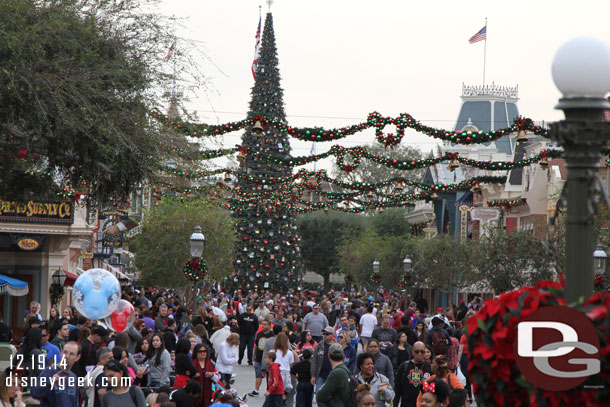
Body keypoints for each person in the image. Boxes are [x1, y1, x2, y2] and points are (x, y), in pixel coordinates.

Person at [31, 341, 81, 407]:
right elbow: (35, 393)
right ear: (61, 352)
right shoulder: (49, 372)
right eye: (65, 352)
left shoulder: (74, 378)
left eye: (72, 354)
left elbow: (75, 402)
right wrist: (50, 382)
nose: (67, 356)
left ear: (78, 357)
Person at [393, 341, 432, 407]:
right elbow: (397, 388)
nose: (419, 354)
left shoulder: (429, 367)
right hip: (406, 404)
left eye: (422, 352)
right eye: (417, 351)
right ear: (412, 352)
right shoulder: (404, 366)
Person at [315, 343, 351, 407]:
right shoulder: (345, 370)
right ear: (343, 356)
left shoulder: (336, 373)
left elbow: (320, 396)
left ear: (329, 355)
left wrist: (329, 397)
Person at [249, 319, 275, 397]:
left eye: (265, 324)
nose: (263, 326)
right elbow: (256, 345)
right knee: (258, 374)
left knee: (269, 375)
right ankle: (256, 390)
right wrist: (254, 355)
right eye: (262, 324)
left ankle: (269, 390)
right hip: (259, 357)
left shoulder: (271, 335)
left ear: (269, 326)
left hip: (268, 359)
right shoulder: (259, 334)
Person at [310, 326, 335, 393]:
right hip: (320, 375)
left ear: (332, 335)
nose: (324, 336)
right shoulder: (319, 345)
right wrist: (313, 375)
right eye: (323, 334)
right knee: (318, 394)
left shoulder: (336, 346)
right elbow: (314, 360)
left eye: (327, 334)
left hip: (332, 376)